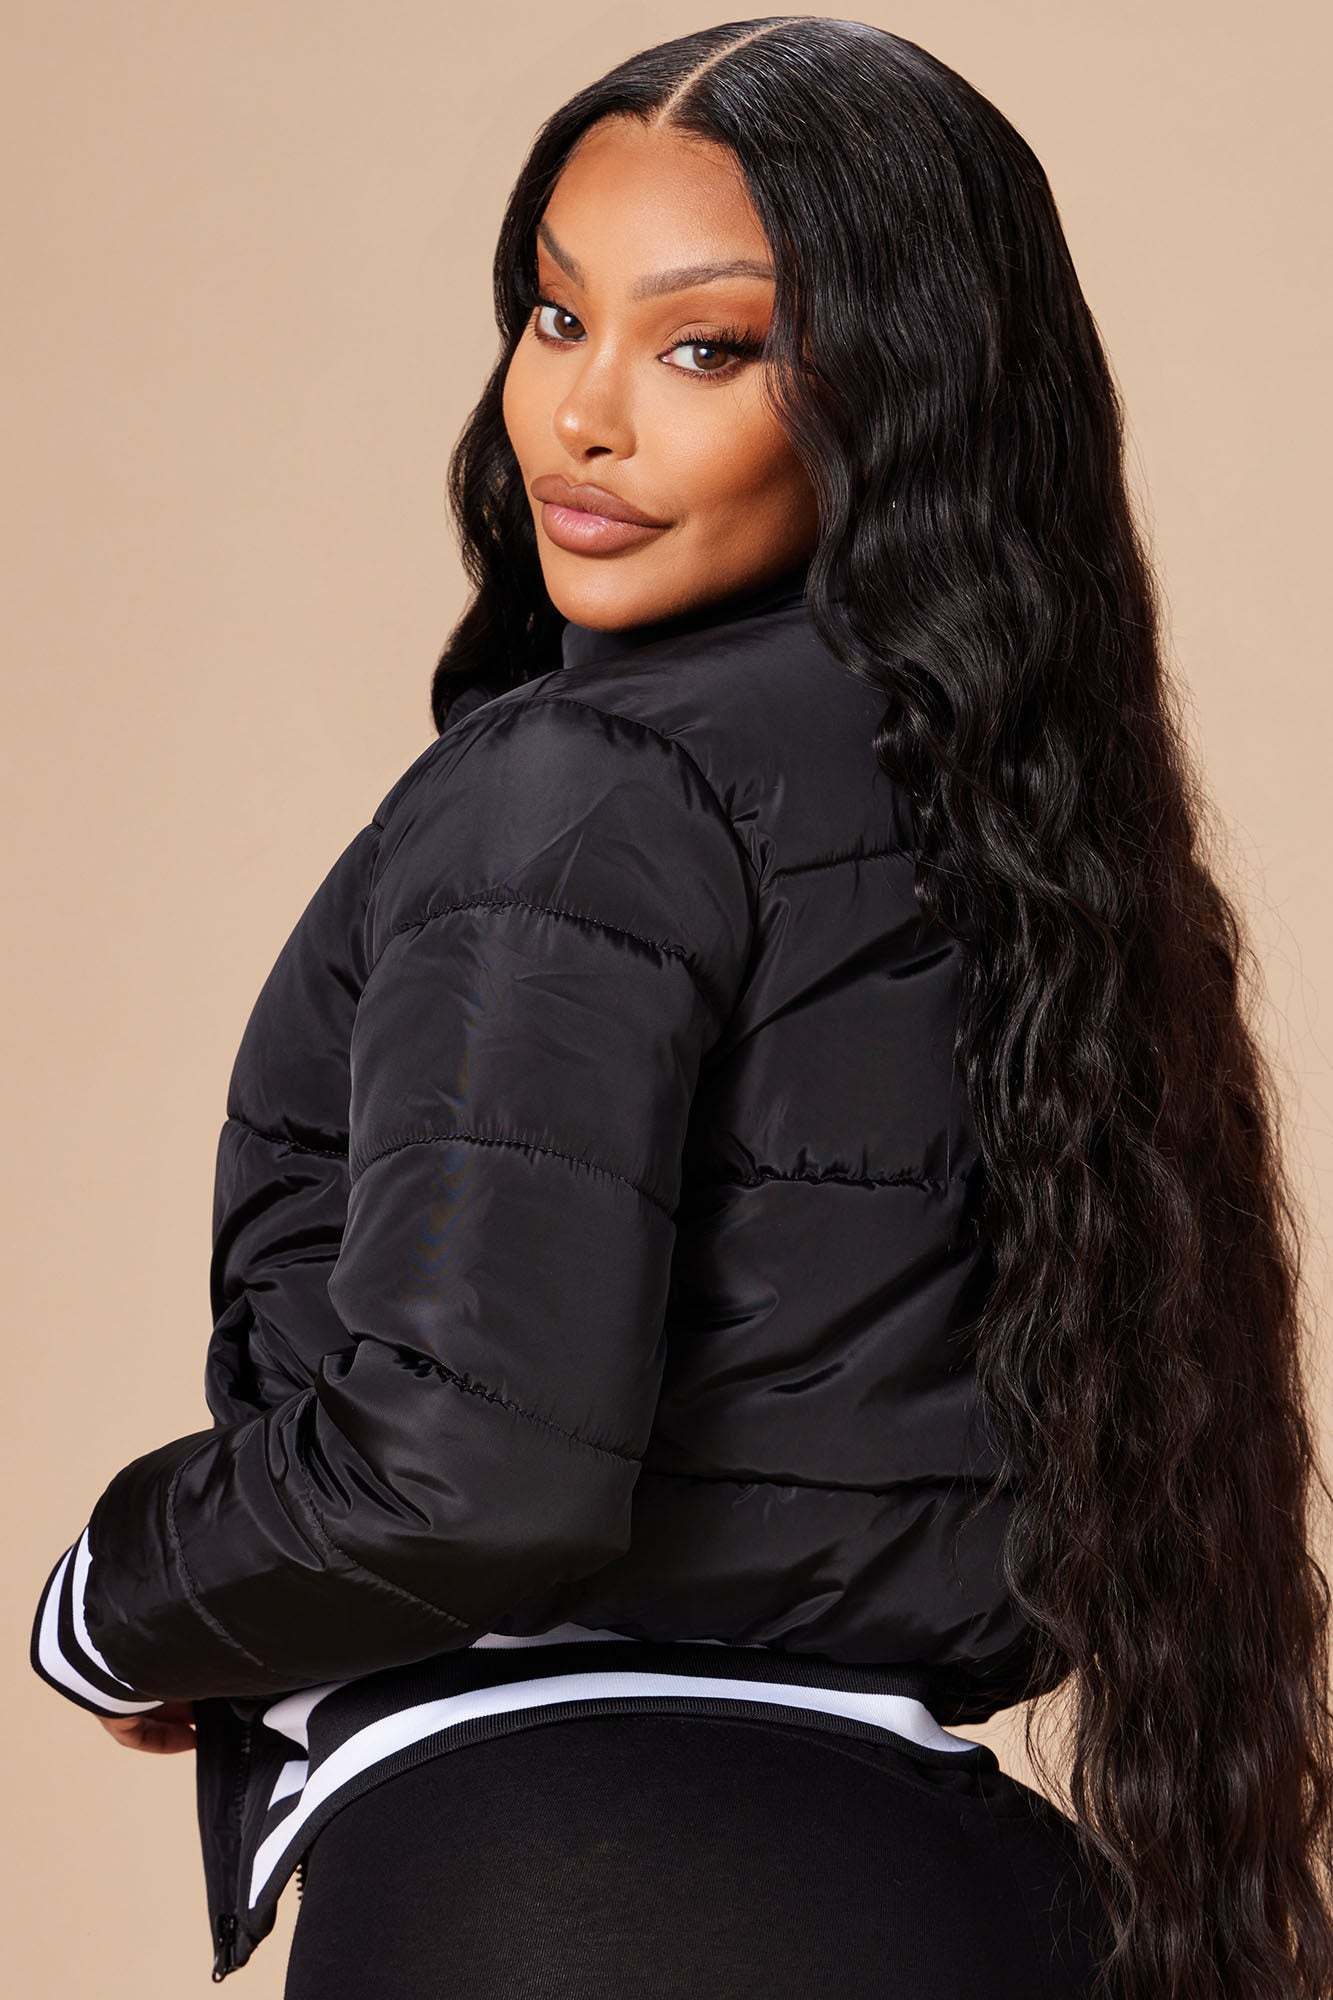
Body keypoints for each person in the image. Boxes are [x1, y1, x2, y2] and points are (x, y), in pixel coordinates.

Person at [27, 19, 1333, 2000]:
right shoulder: (1016, 817)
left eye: (705, 347)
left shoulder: (582, 789)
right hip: (962, 1895)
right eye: (557, 317)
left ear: (900, 394)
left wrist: (115, 1603)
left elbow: (464, 1471)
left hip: (570, 1888)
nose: (582, 417)